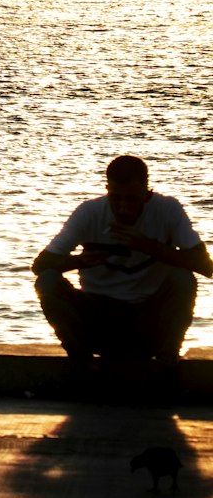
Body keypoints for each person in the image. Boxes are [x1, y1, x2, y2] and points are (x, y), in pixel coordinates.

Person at [32, 155, 212, 366]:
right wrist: (78, 261)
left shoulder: (167, 209)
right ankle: (81, 362)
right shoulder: (89, 213)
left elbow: (205, 266)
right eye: (116, 198)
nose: (123, 208)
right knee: (47, 280)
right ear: (107, 189)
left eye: (132, 199)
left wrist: (149, 246)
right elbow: (40, 265)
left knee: (183, 278)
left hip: (148, 319)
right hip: (98, 318)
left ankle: (167, 362)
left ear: (147, 192)